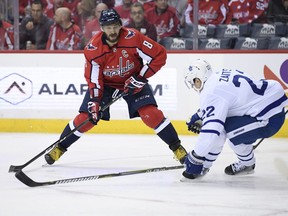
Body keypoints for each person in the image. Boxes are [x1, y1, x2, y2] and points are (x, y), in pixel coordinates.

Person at [44, 9, 187, 166]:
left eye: (114, 26)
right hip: (107, 85)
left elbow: (159, 55)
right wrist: (95, 100)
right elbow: (93, 78)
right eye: (108, 27)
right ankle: (59, 147)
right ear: (102, 28)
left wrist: (140, 78)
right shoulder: (93, 49)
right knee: (87, 118)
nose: (112, 31)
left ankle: (177, 148)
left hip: (133, 81)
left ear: (120, 25)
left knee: (151, 114)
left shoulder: (133, 38)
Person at [182, 59, 288, 180]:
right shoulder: (219, 74)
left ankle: (247, 163)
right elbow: (225, 98)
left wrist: (196, 158)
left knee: (232, 134)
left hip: (269, 118)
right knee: (224, 127)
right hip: (270, 101)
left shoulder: (211, 92)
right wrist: (201, 115)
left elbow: (212, 131)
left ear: (199, 78)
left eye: (194, 82)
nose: (195, 86)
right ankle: (206, 164)